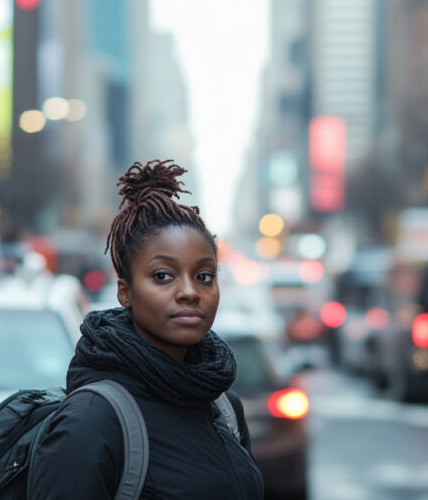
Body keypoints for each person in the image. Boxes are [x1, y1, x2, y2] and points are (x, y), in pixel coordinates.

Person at [28, 160, 264, 499]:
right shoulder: (90, 422)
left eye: (204, 276)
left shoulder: (225, 408)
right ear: (125, 291)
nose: (190, 291)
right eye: (163, 276)